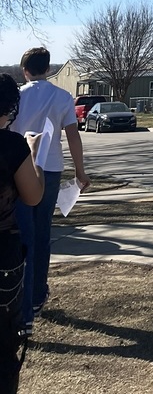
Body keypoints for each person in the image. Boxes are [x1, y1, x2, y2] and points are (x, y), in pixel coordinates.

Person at [11, 48, 90, 336]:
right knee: (42, 234)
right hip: (51, 168)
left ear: (25, 70)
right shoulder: (62, 97)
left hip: (17, 167)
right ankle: (37, 294)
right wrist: (80, 172)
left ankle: (25, 299)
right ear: (47, 68)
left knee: (24, 236)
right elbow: (72, 135)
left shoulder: (18, 95)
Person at [0, 73, 43, 390]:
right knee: (2, 342)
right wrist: (34, 153)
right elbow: (33, 196)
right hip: (3, 255)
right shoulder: (12, 145)